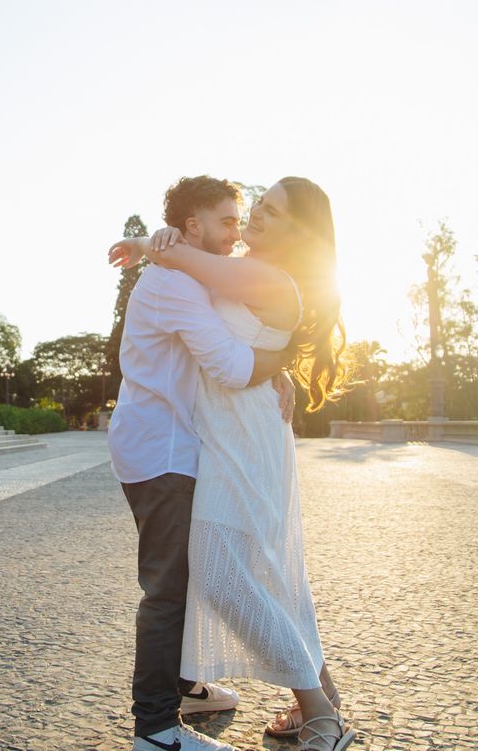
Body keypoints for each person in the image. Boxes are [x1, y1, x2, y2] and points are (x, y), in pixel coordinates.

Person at [109, 176, 355, 751]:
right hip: (225, 433)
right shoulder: (243, 265)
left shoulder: (262, 274)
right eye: (256, 207)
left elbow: (227, 343)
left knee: (223, 571)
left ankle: (320, 711)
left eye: (269, 211)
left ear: (299, 231)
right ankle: (319, 700)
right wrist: (282, 363)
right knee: (267, 570)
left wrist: (152, 243)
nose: (252, 220)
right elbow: (211, 287)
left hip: (242, 435)